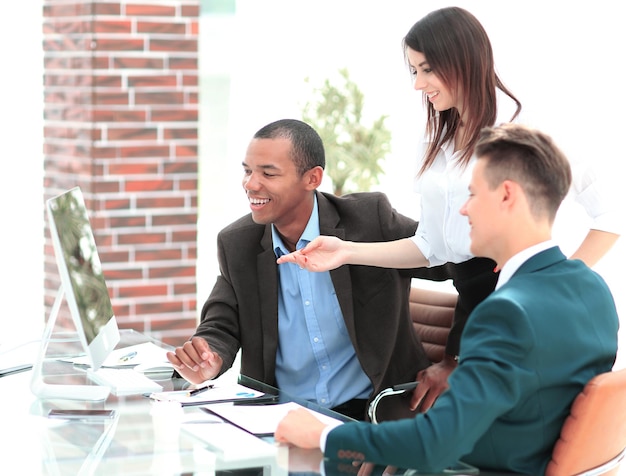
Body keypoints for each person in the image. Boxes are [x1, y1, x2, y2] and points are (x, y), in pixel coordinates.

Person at [277, 6, 621, 412]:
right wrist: (348, 252)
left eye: (427, 70)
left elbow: (612, 214)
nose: (418, 84)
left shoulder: (530, 128)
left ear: (461, 60)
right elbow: (432, 248)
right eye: (413, 71)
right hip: (475, 304)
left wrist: (555, 282)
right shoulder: (438, 140)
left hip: (525, 306)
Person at [274, 123, 620, 475]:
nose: (463, 211)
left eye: (471, 195)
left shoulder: (506, 313)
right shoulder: (593, 289)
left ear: (506, 196)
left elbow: (434, 446)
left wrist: (324, 436)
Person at [166, 118, 432, 421]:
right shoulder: (237, 243)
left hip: (372, 415)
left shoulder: (369, 221)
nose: (251, 184)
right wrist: (209, 357)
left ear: (312, 178)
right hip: (282, 418)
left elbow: (460, 260)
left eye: (268, 173)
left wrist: (457, 357)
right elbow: (221, 323)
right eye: (248, 170)